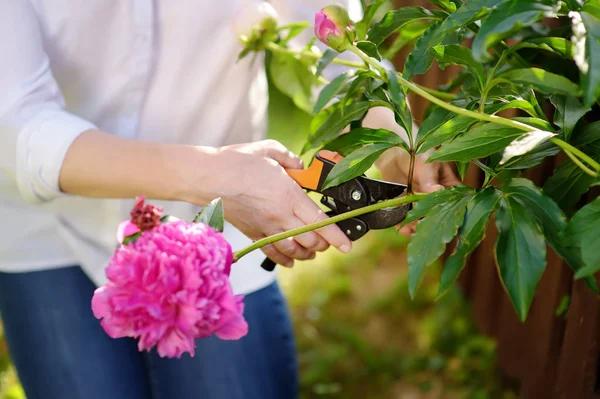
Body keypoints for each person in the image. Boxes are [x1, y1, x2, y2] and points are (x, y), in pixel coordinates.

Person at [0, 1, 459, 398]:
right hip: (47, 230)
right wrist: (216, 174)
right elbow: (21, 127)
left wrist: (392, 136)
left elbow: (332, 42)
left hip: (218, 235)